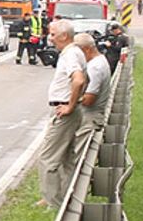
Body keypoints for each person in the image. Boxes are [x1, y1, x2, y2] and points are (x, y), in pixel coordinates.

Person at [36, 18, 87, 208]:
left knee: (47, 158)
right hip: (69, 110)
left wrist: (70, 106)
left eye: (53, 34)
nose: (50, 39)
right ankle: (68, 197)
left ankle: (54, 202)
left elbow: (79, 80)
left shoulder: (70, 55)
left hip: (64, 111)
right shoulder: (75, 52)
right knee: (66, 159)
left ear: (64, 36)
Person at [69, 32, 112, 165]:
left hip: (89, 118)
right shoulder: (100, 61)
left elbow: (89, 99)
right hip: (91, 116)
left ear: (87, 49)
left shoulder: (95, 67)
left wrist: (73, 100)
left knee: (78, 160)